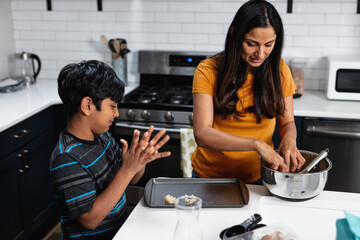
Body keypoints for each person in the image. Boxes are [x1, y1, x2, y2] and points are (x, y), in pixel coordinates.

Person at [50, 60, 171, 239]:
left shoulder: (102, 136)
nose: (116, 113)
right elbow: (90, 220)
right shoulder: (67, 158)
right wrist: (128, 168)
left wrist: (139, 161)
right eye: (112, 106)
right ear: (87, 106)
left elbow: (130, 179)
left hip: (119, 233)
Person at [191, 0, 305, 183]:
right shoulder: (207, 70)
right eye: (251, 43)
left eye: (269, 44)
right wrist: (256, 145)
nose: (260, 53)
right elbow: (202, 134)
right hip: (209, 178)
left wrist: (290, 138)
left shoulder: (280, 70)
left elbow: (287, 122)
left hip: (259, 177)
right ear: (235, 34)